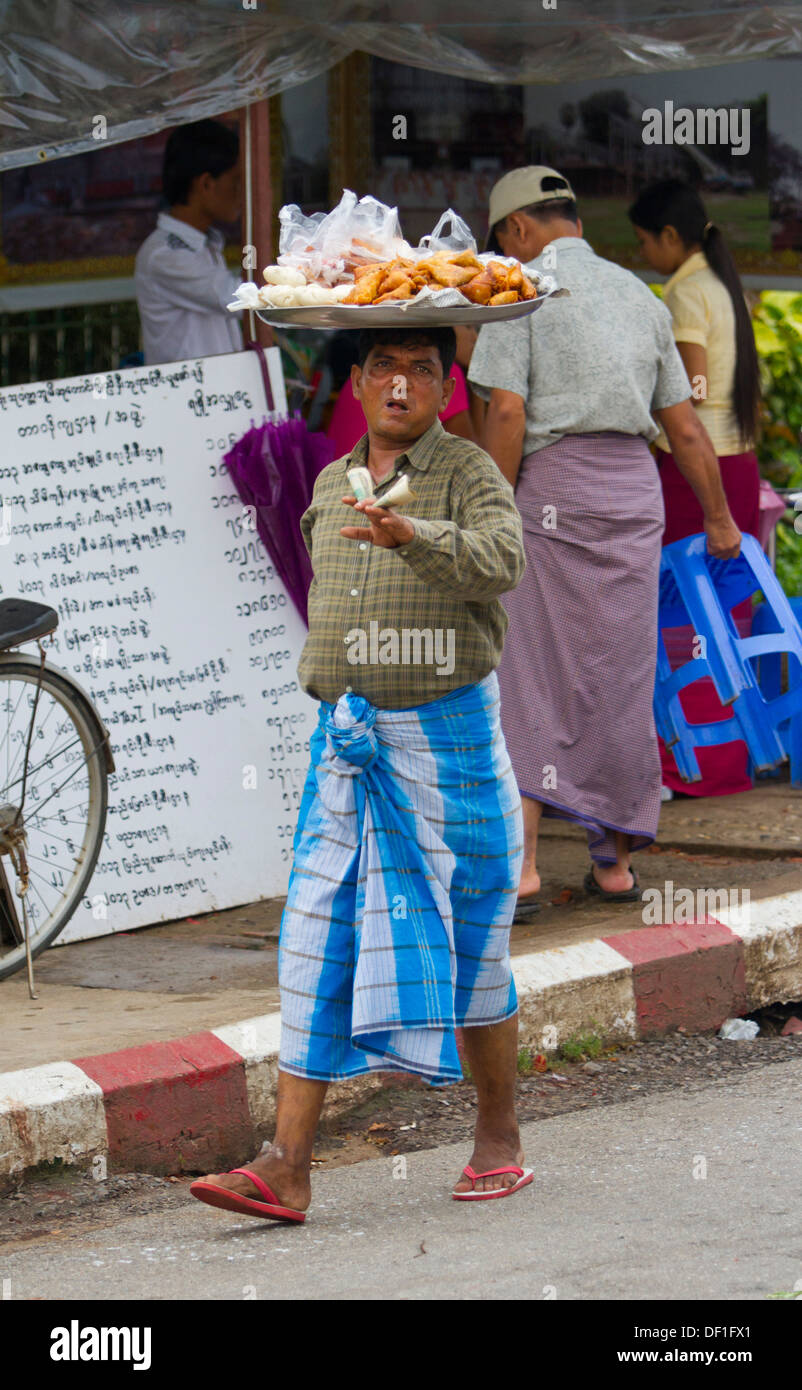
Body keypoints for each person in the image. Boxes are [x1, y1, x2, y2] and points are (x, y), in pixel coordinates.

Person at [191, 327, 533, 1220]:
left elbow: (504, 562)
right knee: (314, 938)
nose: (401, 384)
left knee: (473, 942)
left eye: (423, 369)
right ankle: (285, 1164)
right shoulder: (329, 479)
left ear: (447, 389)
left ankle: (498, 1135)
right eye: (384, 365)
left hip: (448, 751)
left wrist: (413, 532)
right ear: (356, 381)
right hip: (345, 751)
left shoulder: (466, 473)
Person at [467, 165, 742, 915]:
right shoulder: (640, 296)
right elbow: (683, 426)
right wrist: (720, 519)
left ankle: (522, 871)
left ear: (517, 230)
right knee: (620, 677)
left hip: (557, 493)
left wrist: (494, 511)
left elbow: (508, 416)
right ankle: (614, 866)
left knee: (529, 678)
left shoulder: (521, 294)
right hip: (633, 497)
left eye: (501, 243)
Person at [629, 179, 762, 797]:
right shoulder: (722, 284)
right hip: (737, 464)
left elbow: (692, 395)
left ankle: (689, 764)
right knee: (724, 617)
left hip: (695, 468)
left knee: (677, 621)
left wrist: (645, 435)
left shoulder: (684, 292)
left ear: (670, 238)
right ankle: (734, 757)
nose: (643, 255)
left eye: (644, 242)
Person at [135, 120, 242, 365]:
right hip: (190, 400)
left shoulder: (206, 245)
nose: (240, 192)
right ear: (206, 184)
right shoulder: (164, 254)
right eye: (235, 181)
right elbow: (235, 297)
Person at [325, 326, 478, 453]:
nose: (474, 335)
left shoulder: (367, 375)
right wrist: (478, 370)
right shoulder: (440, 375)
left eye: (420, 369)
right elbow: (471, 449)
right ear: (357, 381)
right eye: (467, 326)